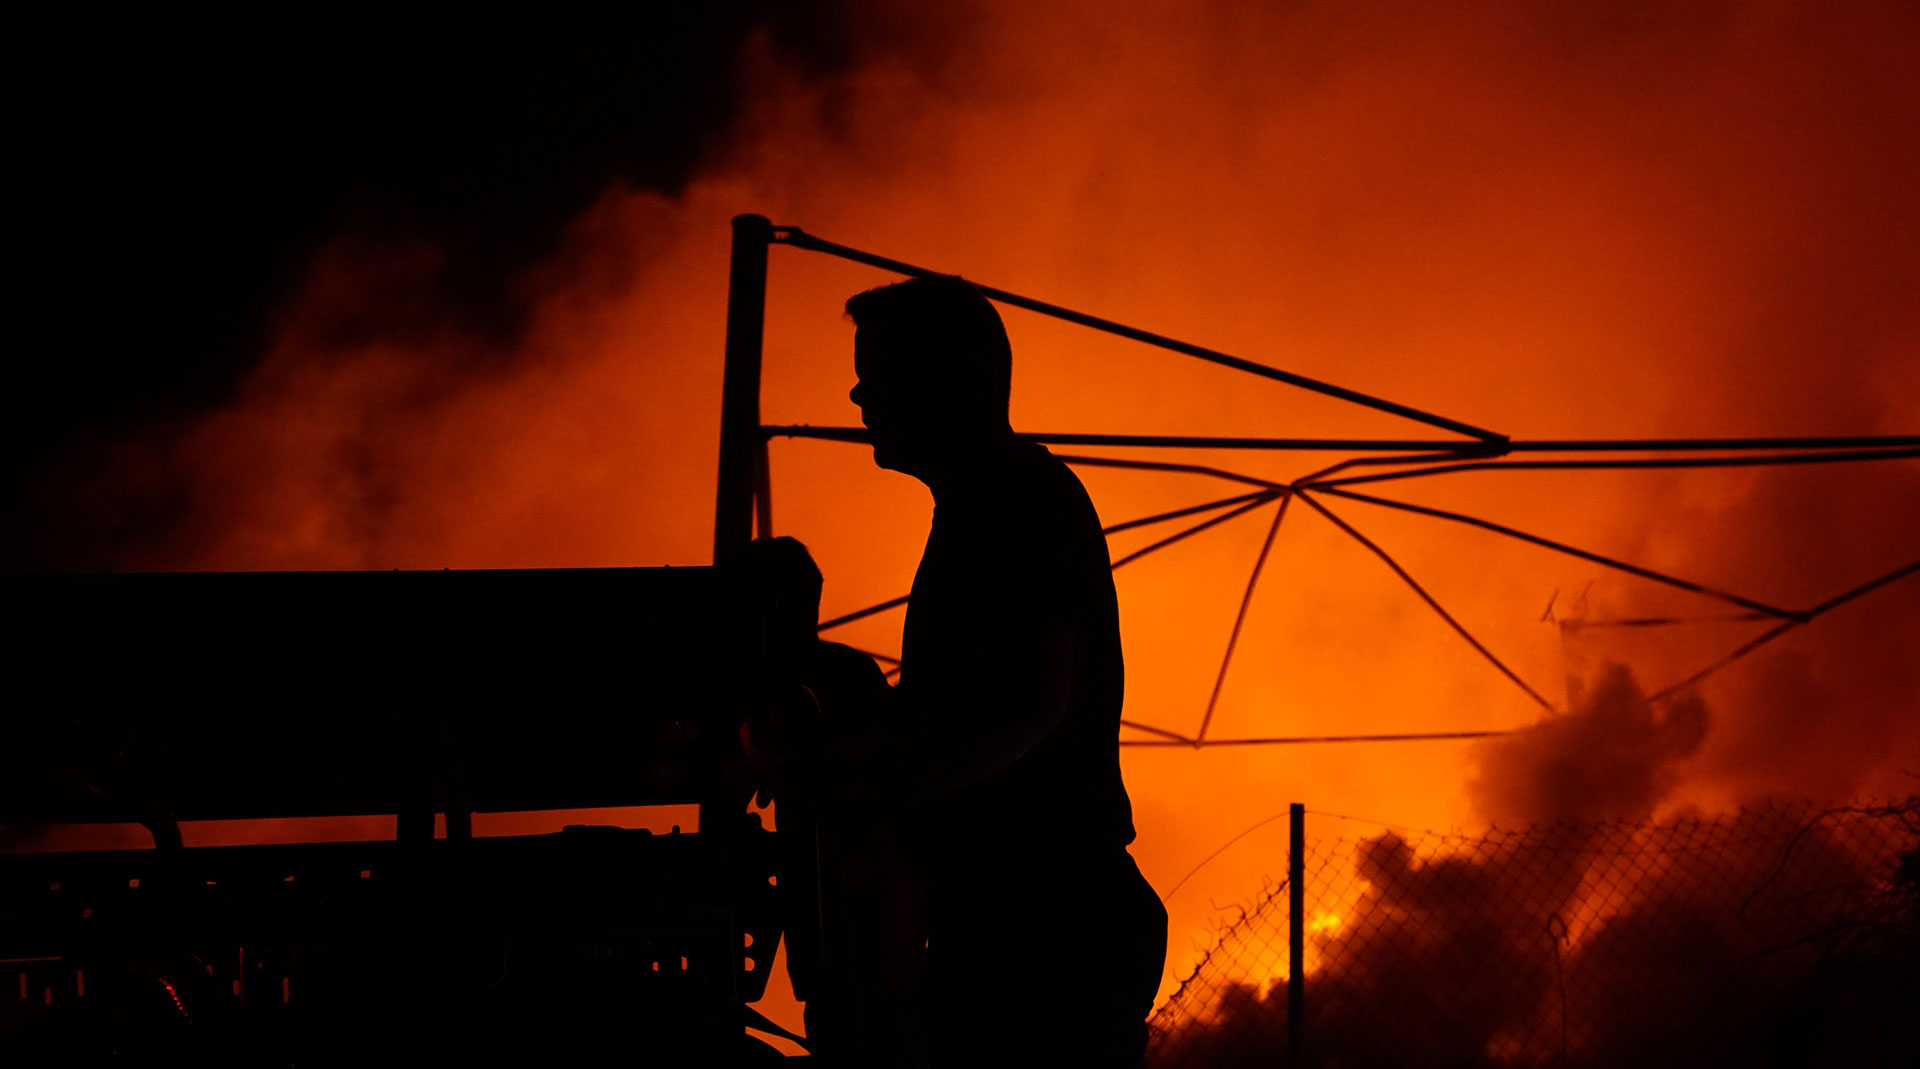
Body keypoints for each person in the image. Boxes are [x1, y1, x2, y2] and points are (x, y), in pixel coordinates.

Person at [843, 275, 1167, 1067]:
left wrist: (878, 786)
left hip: (1038, 923)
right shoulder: (996, 501)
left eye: (877, 371)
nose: (856, 393)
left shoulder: (1017, 502)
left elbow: (1029, 701)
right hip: (1034, 917)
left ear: (941, 381)